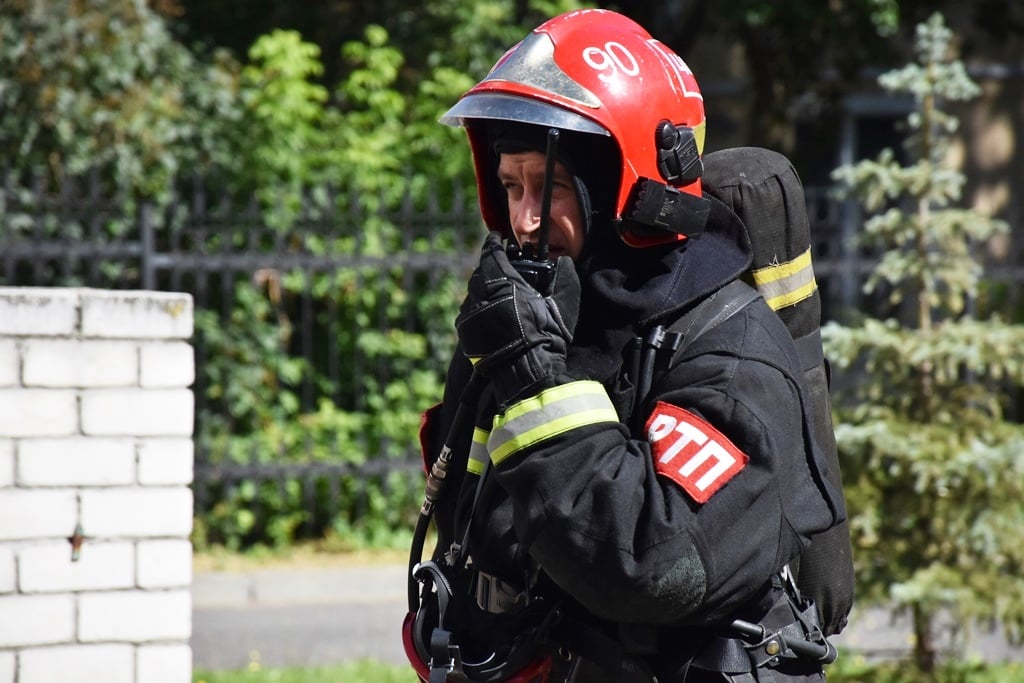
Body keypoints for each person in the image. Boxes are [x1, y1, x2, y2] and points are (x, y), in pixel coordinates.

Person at [404, 9, 847, 682]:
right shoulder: (541, 322)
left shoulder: (730, 359)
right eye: (509, 185)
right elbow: (471, 527)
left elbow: (650, 563)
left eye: (547, 186)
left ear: (624, 189)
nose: (523, 221)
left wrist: (535, 381)